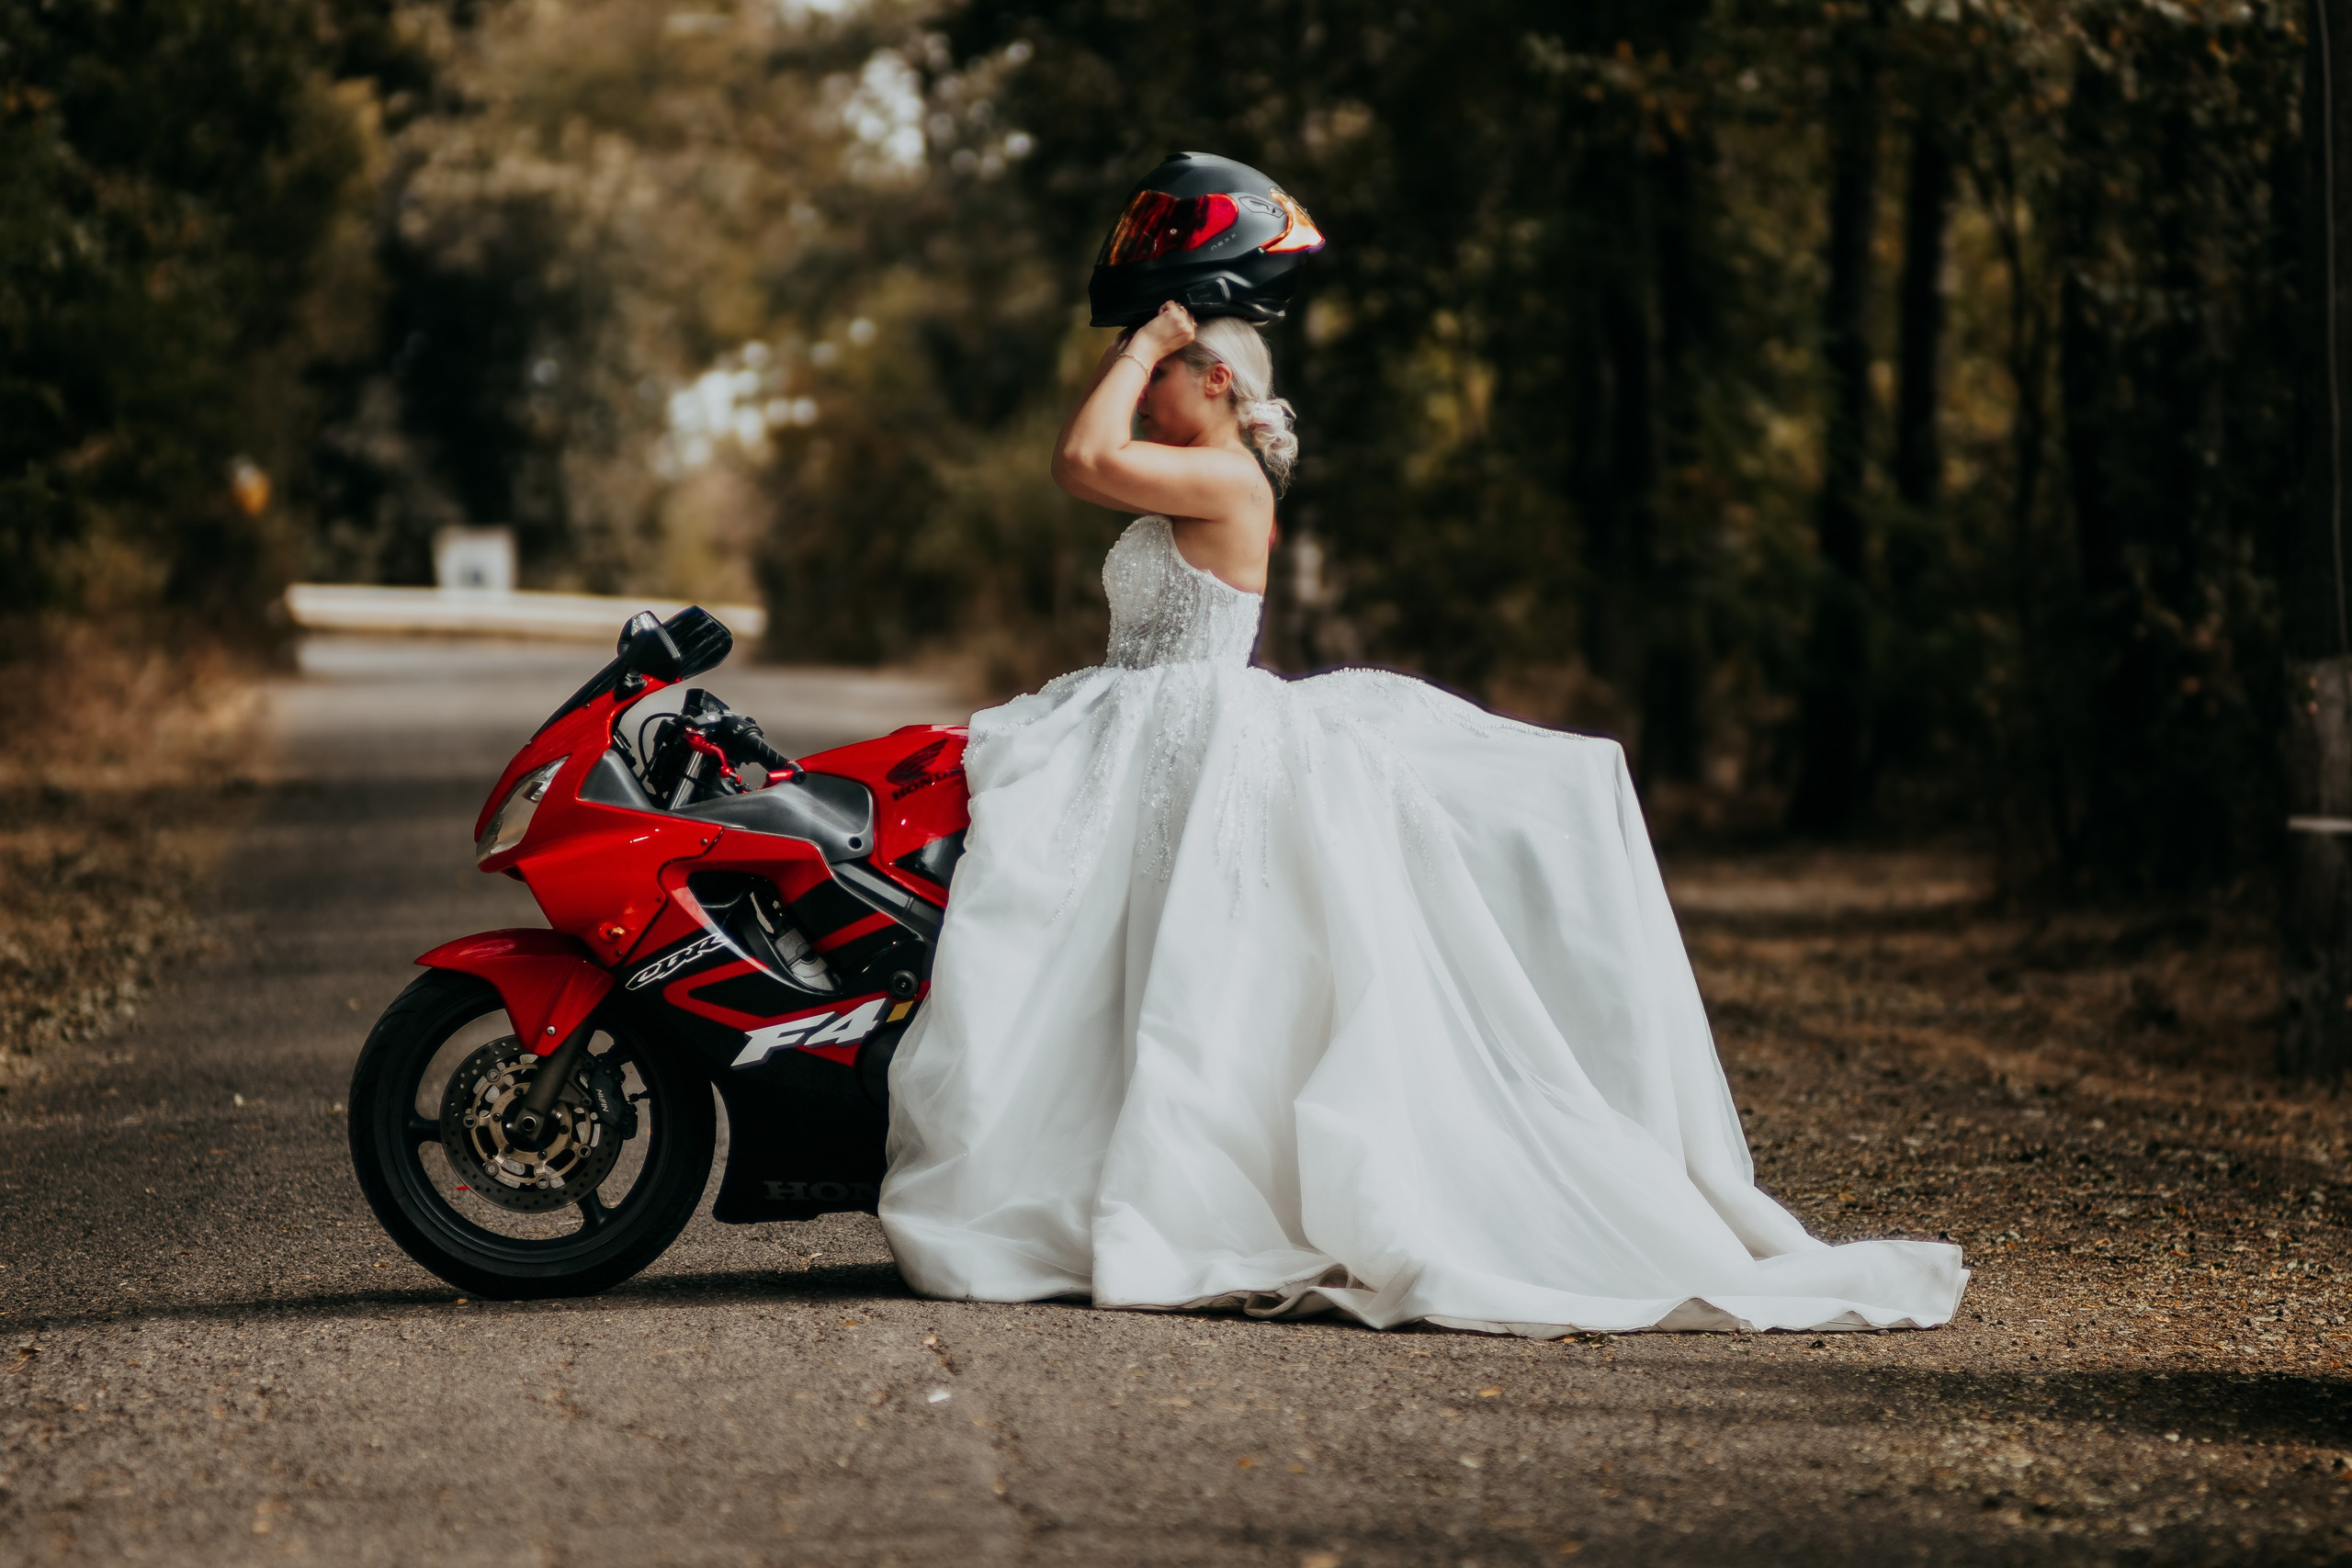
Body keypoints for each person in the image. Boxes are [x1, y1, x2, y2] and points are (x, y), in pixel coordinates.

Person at [876, 297, 1967, 1343]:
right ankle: (1084, 1165)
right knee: (1115, 969)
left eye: (1160, 376)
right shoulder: (1196, 475)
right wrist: (1144, 345)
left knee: (1185, 981)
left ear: (1215, 384)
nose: (1142, 392)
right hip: (1144, 736)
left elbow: (1079, 461)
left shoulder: (1223, 476)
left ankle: (1174, 1190)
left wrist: (1144, 340)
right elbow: (1092, 464)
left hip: (1185, 736)